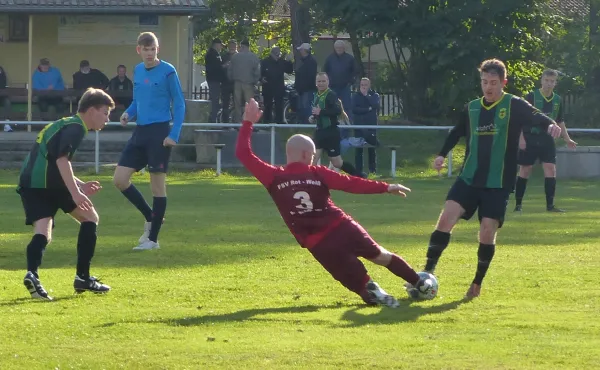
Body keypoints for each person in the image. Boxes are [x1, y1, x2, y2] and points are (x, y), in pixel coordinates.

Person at [236, 98, 434, 307]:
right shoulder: (318, 173)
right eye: (312, 155)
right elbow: (352, 183)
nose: (313, 159)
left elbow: (243, 154)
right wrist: (385, 187)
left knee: (361, 283)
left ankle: (378, 295)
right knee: (381, 255)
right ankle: (419, 282)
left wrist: (248, 122)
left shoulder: (273, 177)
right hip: (343, 227)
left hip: (319, 244)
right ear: (306, 154)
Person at [413, 59, 561, 299]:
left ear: (504, 82)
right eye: (484, 82)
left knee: (486, 231)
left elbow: (538, 115)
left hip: (498, 183)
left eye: (493, 83)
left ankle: (476, 283)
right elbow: (456, 132)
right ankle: (426, 273)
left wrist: (552, 124)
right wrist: (441, 155)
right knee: (445, 220)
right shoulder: (472, 107)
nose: (488, 87)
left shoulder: (514, 104)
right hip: (469, 178)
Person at [17, 88, 115, 301]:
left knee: (43, 231)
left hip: (31, 183)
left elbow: (52, 160)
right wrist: (77, 193)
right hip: (51, 185)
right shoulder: (76, 127)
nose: (107, 118)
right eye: (105, 112)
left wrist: (80, 184)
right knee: (91, 218)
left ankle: (32, 274)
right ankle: (83, 277)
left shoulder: (63, 123)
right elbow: (62, 160)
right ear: (91, 110)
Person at [114, 32, 186, 251]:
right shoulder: (136, 70)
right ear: (139, 50)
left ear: (158, 49)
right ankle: (150, 216)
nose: (149, 53)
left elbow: (180, 104)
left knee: (157, 187)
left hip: (159, 133)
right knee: (120, 179)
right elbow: (137, 101)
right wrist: (128, 113)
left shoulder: (168, 71)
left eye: (152, 49)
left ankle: (153, 240)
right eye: (145, 49)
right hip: (140, 132)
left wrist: (174, 134)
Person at [514, 69, 577, 213]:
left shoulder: (557, 100)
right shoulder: (531, 96)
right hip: (530, 137)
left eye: (552, 81)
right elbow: (520, 119)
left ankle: (550, 205)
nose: (549, 84)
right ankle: (518, 205)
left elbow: (560, 121)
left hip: (547, 139)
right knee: (525, 169)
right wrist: (521, 138)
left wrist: (567, 138)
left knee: (550, 168)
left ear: (555, 83)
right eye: (547, 80)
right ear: (541, 80)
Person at [309, 72, 363, 177]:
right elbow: (318, 112)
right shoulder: (316, 95)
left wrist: (321, 112)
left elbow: (337, 110)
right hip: (319, 132)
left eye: (323, 81)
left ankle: (359, 175)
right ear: (316, 83)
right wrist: (313, 117)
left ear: (328, 82)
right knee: (313, 159)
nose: (321, 83)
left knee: (337, 163)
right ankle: (308, 182)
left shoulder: (331, 94)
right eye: (319, 81)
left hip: (331, 132)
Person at [352, 78, 380, 175]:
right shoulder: (355, 96)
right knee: (359, 149)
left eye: (365, 85)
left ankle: (372, 171)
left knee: (371, 149)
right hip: (359, 126)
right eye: (362, 85)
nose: (363, 87)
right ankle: (358, 171)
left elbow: (375, 105)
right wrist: (368, 109)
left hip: (371, 126)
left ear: (369, 85)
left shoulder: (374, 95)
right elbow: (354, 109)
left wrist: (367, 96)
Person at [260, 46, 293, 123]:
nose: (277, 56)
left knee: (279, 105)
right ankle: (267, 120)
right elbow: (260, 73)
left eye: (279, 55)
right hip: (268, 87)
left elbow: (290, 71)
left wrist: (289, 62)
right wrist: (261, 79)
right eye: (276, 55)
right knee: (268, 105)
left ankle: (279, 121)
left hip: (279, 87)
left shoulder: (282, 62)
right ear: (271, 54)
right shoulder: (265, 62)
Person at [294, 43, 318, 125]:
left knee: (307, 108)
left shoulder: (310, 61)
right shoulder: (304, 61)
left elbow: (309, 77)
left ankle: (308, 124)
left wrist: (301, 87)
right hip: (302, 90)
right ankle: (303, 124)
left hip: (307, 90)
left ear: (304, 51)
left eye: (301, 50)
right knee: (303, 108)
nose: (300, 51)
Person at [205, 38, 225, 123]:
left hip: (216, 80)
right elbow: (214, 67)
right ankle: (212, 120)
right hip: (214, 80)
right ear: (216, 44)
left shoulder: (216, 54)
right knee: (215, 100)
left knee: (215, 99)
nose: (221, 47)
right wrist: (223, 66)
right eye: (220, 45)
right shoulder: (211, 54)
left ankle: (213, 118)